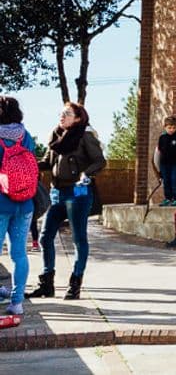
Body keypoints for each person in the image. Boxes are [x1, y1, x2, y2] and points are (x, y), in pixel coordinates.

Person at [27, 102, 106, 301]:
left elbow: (100, 161)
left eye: (67, 114)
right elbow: (47, 162)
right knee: (45, 237)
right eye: (61, 113)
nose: (62, 116)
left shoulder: (85, 135)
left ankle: (75, 284)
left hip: (78, 193)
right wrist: (25, 164)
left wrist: (86, 173)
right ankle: (47, 284)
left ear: (78, 118)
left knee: (78, 239)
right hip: (57, 193)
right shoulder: (56, 137)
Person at [0, 96, 37, 328]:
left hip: (1, 203)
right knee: (19, 254)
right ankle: (17, 302)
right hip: (25, 203)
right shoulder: (26, 136)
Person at [154, 116, 176, 206]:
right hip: (164, 164)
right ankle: (168, 198)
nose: (171, 130)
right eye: (169, 128)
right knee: (166, 181)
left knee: (175, 180)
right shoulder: (162, 138)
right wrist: (157, 166)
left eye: (174, 128)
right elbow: (157, 152)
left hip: (175, 164)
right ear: (165, 127)